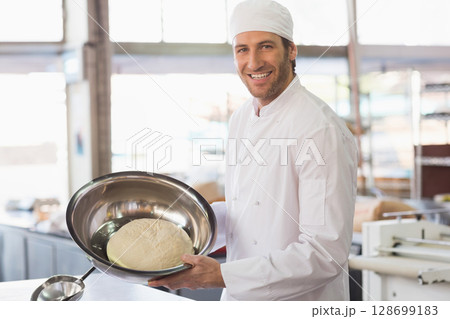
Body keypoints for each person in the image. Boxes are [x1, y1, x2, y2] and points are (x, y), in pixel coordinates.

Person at [148, 0, 358, 300]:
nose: (254, 62)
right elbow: (248, 209)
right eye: (242, 49)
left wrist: (220, 275)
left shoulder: (319, 129)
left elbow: (325, 253)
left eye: (266, 46)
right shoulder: (241, 118)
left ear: (292, 50)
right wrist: (183, 225)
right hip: (240, 300)